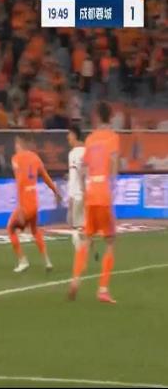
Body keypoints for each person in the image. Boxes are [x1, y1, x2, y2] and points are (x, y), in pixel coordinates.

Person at [69, 101, 119, 304]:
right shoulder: (113, 137)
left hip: (90, 194)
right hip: (103, 194)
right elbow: (113, 164)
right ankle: (103, 289)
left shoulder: (90, 139)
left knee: (87, 239)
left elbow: (83, 169)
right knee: (111, 241)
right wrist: (112, 189)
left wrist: (83, 189)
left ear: (97, 116)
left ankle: (75, 279)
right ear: (110, 117)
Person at [8, 136, 62, 273]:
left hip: (25, 204)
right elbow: (45, 176)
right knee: (34, 230)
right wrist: (55, 191)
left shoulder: (16, 159)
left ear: (20, 144)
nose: (15, 147)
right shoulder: (35, 158)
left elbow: (20, 182)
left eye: (16, 144)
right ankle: (47, 261)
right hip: (34, 202)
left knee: (10, 229)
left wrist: (21, 207)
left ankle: (23, 261)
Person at [67, 125, 85, 249]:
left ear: (74, 135)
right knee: (82, 225)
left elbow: (79, 173)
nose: (67, 137)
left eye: (69, 135)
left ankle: (81, 253)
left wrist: (72, 196)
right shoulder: (87, 151)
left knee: (76, 227)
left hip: (78, 194)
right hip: (85, 193)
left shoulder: (74, 153)